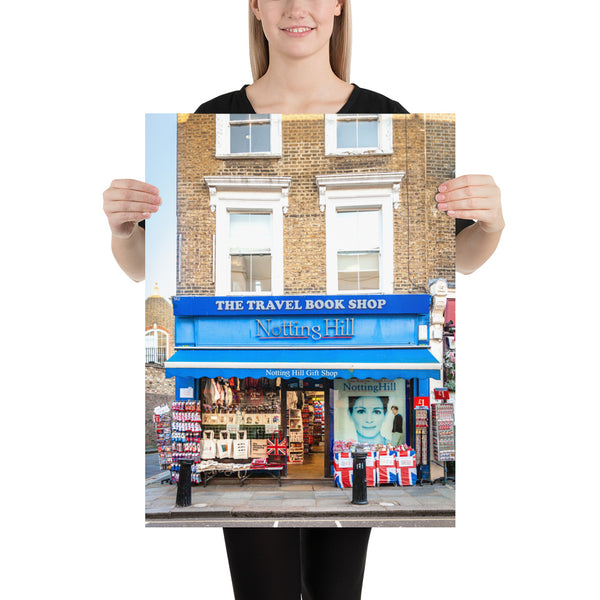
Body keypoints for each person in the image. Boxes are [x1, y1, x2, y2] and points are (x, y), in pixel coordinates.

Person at [103, 1, 505, 599]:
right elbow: (142, 268)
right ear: (256, 7)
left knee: (337, 591)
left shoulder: (391, 116)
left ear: (339, 6)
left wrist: (491, 224)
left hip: (382, 311)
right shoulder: (210, 118)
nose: (298, 8)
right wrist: (123, 229)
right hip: (227, 313)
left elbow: (458, 260)